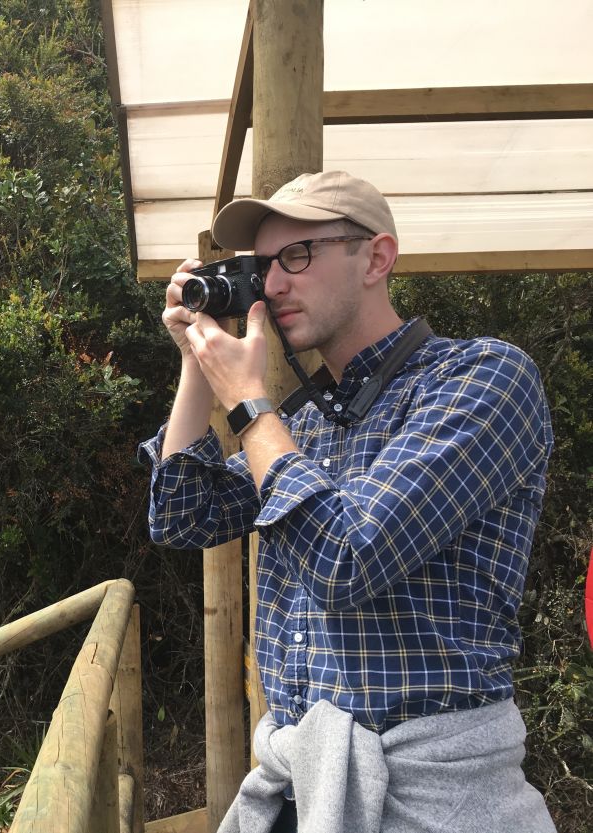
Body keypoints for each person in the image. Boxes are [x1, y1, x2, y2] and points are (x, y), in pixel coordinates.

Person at [139, 171, 557, 833]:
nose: (274, 285)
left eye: (297, 256)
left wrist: (248, 406)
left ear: (377, 257)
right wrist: (197, 358)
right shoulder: (303, 427)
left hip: (432, 801)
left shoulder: (482, 380)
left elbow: (347, 559)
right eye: (262, 265)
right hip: (298, 785)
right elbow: (182, 515)